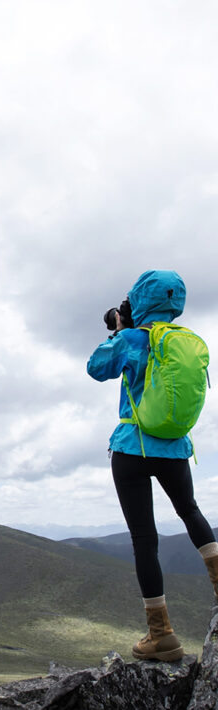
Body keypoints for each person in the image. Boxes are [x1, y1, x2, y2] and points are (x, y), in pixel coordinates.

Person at [87, 269, 218, 662]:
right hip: (175, 448)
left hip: (132, 446)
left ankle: (160, 635)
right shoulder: (185, 341)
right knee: (190, 511)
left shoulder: (129, 338)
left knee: (145, 539)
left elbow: (96, 368)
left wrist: (118, 330)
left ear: (137, 302)